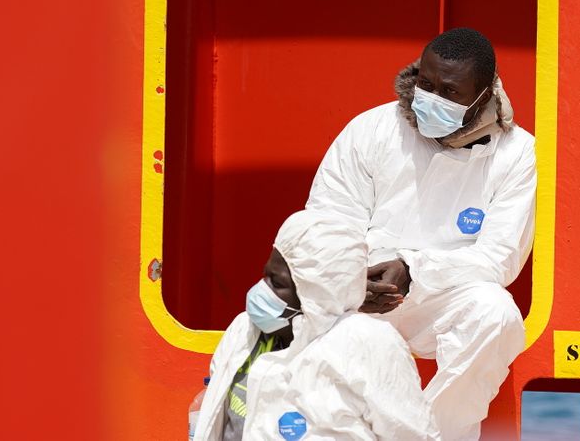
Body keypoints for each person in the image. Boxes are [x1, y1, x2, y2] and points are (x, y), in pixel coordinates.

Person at [305, 27, 536, 440]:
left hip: (443, 298)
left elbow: (498, 259)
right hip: (359, 290)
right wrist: (351, 279)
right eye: (425, 84)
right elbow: (328, 219)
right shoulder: (372, 129)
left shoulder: (517, 154)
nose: (430, 98)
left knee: (497, 314)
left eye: (450, 92)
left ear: (484, 95)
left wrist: (414, 270)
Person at [192, 210, 440, 441]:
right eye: (265, 275)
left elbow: (411, 434)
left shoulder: (367, 343)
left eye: (276, 283)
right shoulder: (244, 329)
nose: (261, 290)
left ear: (316, 294)